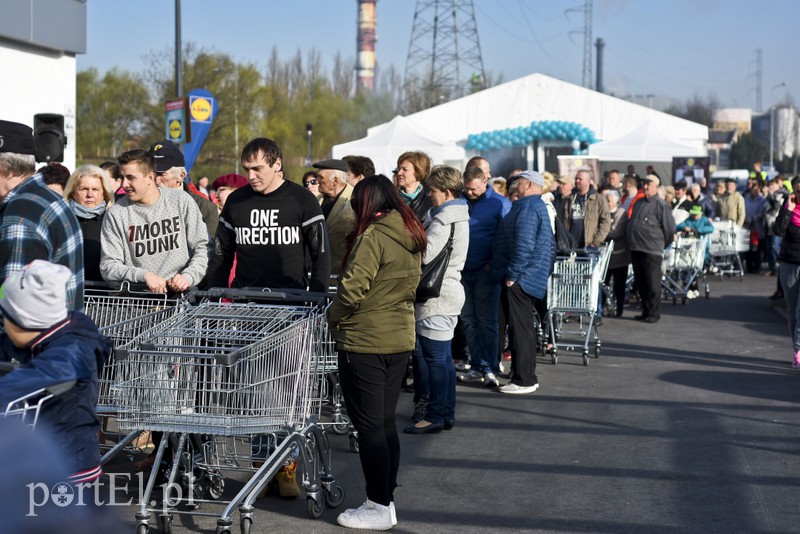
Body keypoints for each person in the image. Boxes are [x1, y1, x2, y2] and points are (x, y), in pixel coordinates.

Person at [327, 175, 426, 530]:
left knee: (370, 426)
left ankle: (377, 503)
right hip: (399, 336)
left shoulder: (373, 236)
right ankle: (385, 500)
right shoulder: (412, 232)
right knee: (384, 424)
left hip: (365, 340)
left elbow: (352, 290)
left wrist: (331, 319)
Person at [0, 260, 111, 482]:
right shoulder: (40, 336)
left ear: (26, 321)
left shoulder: (73, 351)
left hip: (70, 465)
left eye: (5, 318)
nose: (2, 324)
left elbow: (32, 381)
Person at [209, 137, 331, 292]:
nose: (251, 176)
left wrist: (316, 298)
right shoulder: (236, 201)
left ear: (277, 164)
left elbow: (321, 255)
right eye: (246, 169)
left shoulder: (303, 199)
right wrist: (214, 297)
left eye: (257, 169)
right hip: (244, 301)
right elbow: (221, 255)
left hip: (292, 302)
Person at [405, 165, 469, 434]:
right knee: (442, 360)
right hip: (447, 293)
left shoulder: (444, 220)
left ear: (446, 191)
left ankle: (434, 415)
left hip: (437, 297)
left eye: (432, 190)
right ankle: (445, 412)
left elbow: (426, 255)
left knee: (436, 359)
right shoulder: (458, 216)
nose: (429, 194)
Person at [0, 119, 84, 312]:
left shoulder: (21, 216)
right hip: (59, 336)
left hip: (28, 340)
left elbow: (13, 307)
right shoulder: (49, 200)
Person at [100, 149, 208, 293]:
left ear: (150, 177)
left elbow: (203, 247)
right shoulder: (116, 213)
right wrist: (144, 276)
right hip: (137, 301)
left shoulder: (180, 201)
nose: (124, 184)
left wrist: (188, 276)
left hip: (180, 299)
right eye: (122, 177)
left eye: (131, 177)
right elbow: (108, 266)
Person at [492, 170, 555, 394]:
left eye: (517, 183)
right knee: (522, 329)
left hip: (521, 277)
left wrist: (512, 276)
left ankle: (524, 379)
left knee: (521, 330)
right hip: (524, 276)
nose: (514, 186)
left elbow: (524, 245)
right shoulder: (530, 205)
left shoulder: (529, 207)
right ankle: (521, 375)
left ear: (528, 185)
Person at [458, 165, 510, 387]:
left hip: (486, 272)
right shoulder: (460, 201)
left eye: (474, 189)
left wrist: (494, 264)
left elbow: (507, 237)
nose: (470, 193)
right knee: (469, 321)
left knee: (487, 322)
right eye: (467, 189)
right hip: (462, 271)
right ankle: (477, 365)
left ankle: (490, 366)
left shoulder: (499, 203)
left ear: (484, 183)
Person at [627, 174, 675, 323]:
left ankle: (654, 313)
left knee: (653, 283)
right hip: (637, 248)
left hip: (652, 250)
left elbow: (669, 229)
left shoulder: (661, 205)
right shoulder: (639, 202)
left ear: (656, 186)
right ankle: (646, 310)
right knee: (641, 283)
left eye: (649, 184)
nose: (646, 186)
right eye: (644, 184)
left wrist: (661, 244)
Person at [150, 140, 219, 242]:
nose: (155, 180)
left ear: (181, 176)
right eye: (152, 174)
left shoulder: (205, 208)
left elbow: (209, 251)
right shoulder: (136, 206)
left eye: (162, 174)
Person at [63, 164, 115, 282]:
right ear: (72, 191)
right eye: (84, 189)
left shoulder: (112, 220)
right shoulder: (62, 220)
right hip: (67, 292)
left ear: (104, 192)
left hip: (102, 295)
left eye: (95, 189)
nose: (90, 195)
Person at [772, 176, 800, 367]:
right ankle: (796, 348)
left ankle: (799, 348)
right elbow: (778, 231)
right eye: (799, 190)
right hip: (790, 264)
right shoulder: (788, 209)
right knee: (792, 313)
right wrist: (788, 211)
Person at [313, 159, 356, 276]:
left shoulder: (354, 200)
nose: (317, 181)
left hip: (342, 272)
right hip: (319, 270)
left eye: (320, 177)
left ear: (335, 181)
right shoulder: (316, 201)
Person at [556, 168, 611, 249]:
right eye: (576, 179)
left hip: (589, 246)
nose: (577, 181)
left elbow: (606, 222)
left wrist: (595, 242)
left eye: (580, 179)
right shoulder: (568, 199)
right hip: (569, 245)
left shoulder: (599, 199)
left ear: (588, 181)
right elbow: (560, 220)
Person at [603, 189, 629, 317]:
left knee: (619, 285)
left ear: (616, 202)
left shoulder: (621, 213)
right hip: (606, 257)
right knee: (604, 283)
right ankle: (601, 307)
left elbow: (615, 232)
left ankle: (619, 309)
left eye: (609, 200)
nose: (606, 203)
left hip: (619, 256)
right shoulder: (604, 213)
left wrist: (602, 233)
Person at [396, 150, 432, 221]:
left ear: (418, 172)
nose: (399, 173)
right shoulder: (392, 197)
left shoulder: (430, 197)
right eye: (399, 169)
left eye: (405, 169)